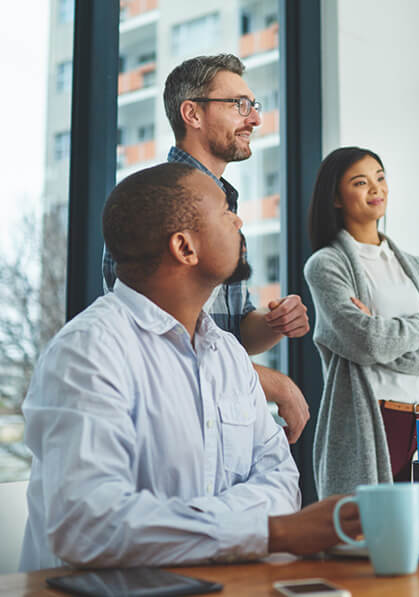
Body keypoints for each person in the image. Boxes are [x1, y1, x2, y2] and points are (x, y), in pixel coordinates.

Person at [20, 163, 360, 570]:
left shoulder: (229, 354)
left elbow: (282, 482)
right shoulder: (88, 351)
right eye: (224, 211)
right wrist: (272, 533)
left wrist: (184, 526)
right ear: (185, 248)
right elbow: (89, 525)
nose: (238, 220)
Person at [103, 54, 310, 443]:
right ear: (192, 114)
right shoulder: (151, 203)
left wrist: (273, 323)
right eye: (239, 105)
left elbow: (236, 331)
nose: (255, 119)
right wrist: (271, 383)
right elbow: (159, 343)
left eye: (254, 106)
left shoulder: (226, 208)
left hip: (221, 418)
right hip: (171, 426)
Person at [304, 147, 419, 497]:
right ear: (335, 198)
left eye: (380, 177)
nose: (376, 188)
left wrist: (385, 334)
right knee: (371, 539)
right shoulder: (326, 265)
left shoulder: (418, 268)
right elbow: (368, 343)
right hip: (374, 420)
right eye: (361, 182)